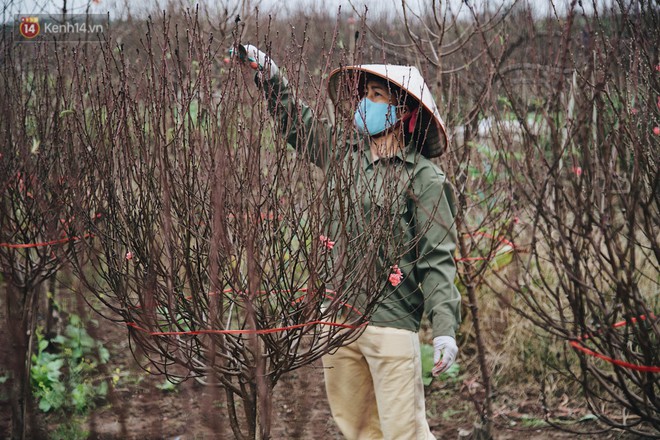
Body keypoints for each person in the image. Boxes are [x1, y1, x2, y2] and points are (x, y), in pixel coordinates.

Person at [231, 45, 461, 440]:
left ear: (403, 111)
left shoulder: (424, 180)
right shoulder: (343, 154)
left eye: (377, 96)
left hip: (391, 325)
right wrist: (271, 76)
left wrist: (444, 328)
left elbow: (438, 261)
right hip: (336, 321)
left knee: (404, 431)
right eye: (365, 94)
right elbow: (297, 124)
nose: (365, 103)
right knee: (356, 429)